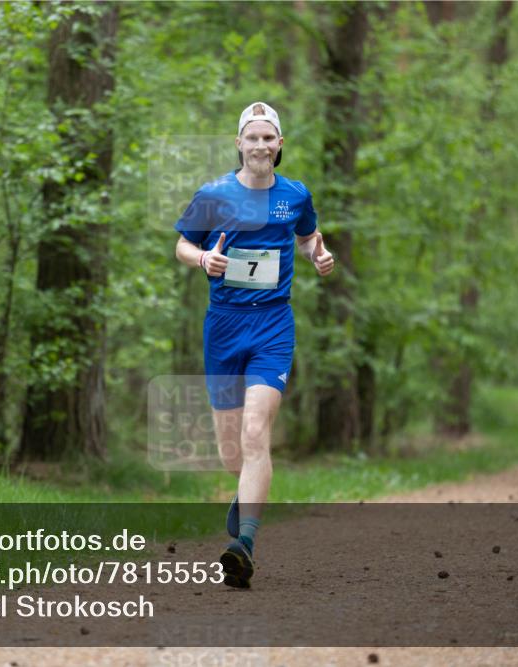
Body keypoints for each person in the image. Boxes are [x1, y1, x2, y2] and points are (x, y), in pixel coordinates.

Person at [174, 102, 334, 588]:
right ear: (239, 143)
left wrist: (318, 255)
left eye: (270, 137)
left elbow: (308, 239)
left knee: (255, 431)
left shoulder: (295, 195)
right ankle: (244, 489)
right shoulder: (213, 195)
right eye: (253, 137)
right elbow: (182, 245)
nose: (261, 145)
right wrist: (203, 260)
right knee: (230, 452)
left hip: (272, 325)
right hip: (223, 326)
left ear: (280, 144)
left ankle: (244, 542)